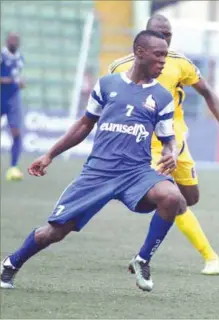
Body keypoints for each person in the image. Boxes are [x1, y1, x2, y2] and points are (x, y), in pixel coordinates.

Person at [1, 30, 186, 292]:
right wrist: (50, 154)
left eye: (165, 56)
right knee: (53, 233)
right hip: (98, 173)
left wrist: (171, 151)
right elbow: (84, 124)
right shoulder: (107, 85)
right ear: (140, 53)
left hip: (136, 173)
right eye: (158, 55)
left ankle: (143, 259)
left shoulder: (163, 97)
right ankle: (11, 263)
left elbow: (168, 139)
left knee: (173, 197)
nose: (163, 61)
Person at [108, 14, 219, 275]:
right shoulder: (118, 68)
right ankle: (210, 257)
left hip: (177, 141)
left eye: (169, 35)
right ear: (144, 40)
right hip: (147, 147)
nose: (166, 40)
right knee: (174, 199)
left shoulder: (180, 63)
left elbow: (207, 93)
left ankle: (130, 193)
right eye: (160, 35)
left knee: (190, 198)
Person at [1, 33, 25, 181]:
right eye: (12, 39)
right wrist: (9, 81)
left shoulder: (20, 59)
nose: (14, 42)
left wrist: (19, 83)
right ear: (7, 41)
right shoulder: (2, 56)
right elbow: (9, 78)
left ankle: (13, 167)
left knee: (16, 132)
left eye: (17, 40)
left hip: (13, 99)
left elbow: (17, 76)